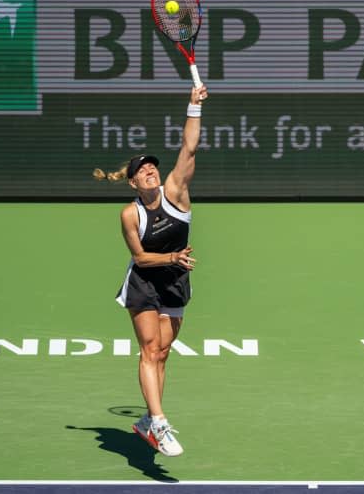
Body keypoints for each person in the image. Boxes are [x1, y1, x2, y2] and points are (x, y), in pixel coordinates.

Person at [93, 84, 208, 457]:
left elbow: (188, 148)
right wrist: (172, 258)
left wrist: (193, 107)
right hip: (145, 281)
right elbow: (141, 258)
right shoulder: (130, 214)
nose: (150, 170)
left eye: (152, 166)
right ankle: (158, 421)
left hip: (175, 281)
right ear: (133, 182)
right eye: (142, 170)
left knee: (163, 353)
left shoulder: (176, 192)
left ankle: (146, 420)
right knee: (148, 349)